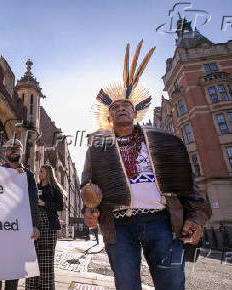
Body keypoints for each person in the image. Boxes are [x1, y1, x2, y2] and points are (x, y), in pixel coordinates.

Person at [81, 40, 211, 290]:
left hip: (161, 222)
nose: (120, 109)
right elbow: (87, 185)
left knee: (171, 285)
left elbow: (190, 188)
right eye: (115, 107)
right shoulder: (97, 148)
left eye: (126, 106)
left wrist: (195, 217)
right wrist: (89, 210)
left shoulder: (165, 141)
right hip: (118, 226)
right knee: (127, 286)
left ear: (134, 113)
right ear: (109, 117)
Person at [0, 138, 40, 290]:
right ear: (5, 152)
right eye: (10, 148)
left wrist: (35, 225)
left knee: (13, 275)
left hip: (19, 231)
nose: (13, 150)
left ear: (21, 153)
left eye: (17, 148)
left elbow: (33, 201)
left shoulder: (29, 176)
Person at [25, 164, 63, 290]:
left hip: (49, 226)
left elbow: (60, 206)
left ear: (47, 173)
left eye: (41, 171)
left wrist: (44, 203)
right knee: (32, 259)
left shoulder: (55, 188)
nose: (39, 174)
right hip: (35, 224)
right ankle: (31, 287)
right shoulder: (35, 187)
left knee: (46, 262)